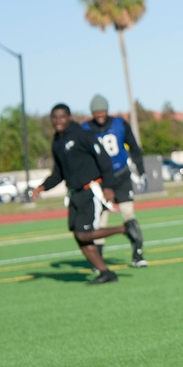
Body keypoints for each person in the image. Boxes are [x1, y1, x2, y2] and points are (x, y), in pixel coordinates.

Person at [32, 104, 144, 285]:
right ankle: (106, 272)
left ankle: (125, 229)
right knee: (80, 237)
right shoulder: (57, 141)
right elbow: (58, 172)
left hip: (90, 190)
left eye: (61, 117)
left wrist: (108, 186)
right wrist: (43, 187)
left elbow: (104, 160)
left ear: (69, 117)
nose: (58, 121)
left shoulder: (81, 134)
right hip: (74, 193)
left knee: (85, 234)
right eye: (54, 118)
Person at [83, 94, 147, 267]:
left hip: (121, 176)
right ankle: (99, 261)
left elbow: (134, 147)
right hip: (100, 181)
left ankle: (138, 254)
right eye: (96, 112)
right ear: (92, 112)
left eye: (102, 110)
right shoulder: (85, 129)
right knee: (101, 220)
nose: (100, 114)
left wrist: (141, 171)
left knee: (128, 213)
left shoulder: (119, 124)